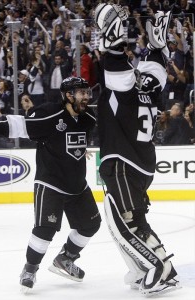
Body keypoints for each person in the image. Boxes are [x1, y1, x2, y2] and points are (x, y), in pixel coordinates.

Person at [0, 76, 101, 290]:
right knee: (45, 229)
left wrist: (80, 151)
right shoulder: (50, 113)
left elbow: (73, 140)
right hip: (50, 182)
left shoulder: (88, 118)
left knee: (91, 224)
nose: (86, 97)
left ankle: (66, 258)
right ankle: (30, 269)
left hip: (77, 184)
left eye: (87, 93)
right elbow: (19, 125)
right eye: (81, 93)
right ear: (68, 95)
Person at [94, 3, 180, 297]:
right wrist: (157, 46)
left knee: (125, 222)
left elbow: (116, 63)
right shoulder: (151, 87)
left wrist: (114, 40)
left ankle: (158, 269)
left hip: (122, 162)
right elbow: (156, 65)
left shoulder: (123, 88)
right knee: (133, 219)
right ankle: (151, 267)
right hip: (143, 163)